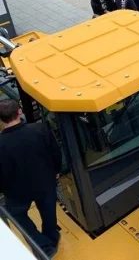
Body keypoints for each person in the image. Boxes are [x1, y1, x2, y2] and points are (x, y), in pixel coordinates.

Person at [0, 100, 62, 257]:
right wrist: (56, 170)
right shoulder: (39, 129)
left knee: (17, 215)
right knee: (49, 214)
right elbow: (55, 152)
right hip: (45, 183)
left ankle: (42, 245)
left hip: (16, 192)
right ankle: (52, 240)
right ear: (19, 111)